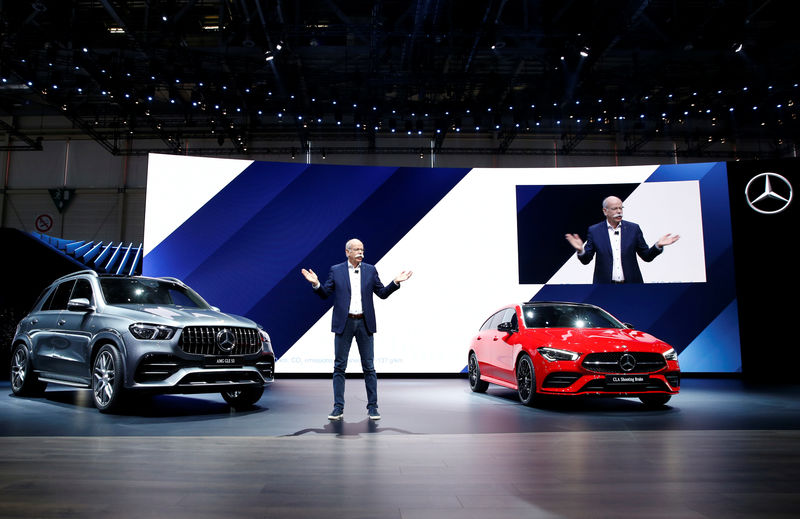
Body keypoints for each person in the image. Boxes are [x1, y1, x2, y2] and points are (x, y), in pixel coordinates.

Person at [301, 238, 412, 421]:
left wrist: (395, 282)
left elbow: (382, 293)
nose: (361, 252)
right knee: (339, 367)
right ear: (347, 252)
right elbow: (325, 294)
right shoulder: (336, 270)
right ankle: (338, 408)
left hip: (364, 323)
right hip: (344, 323)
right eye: (357, 249)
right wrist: (316, 284)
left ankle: (373, 407)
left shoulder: (370, 270)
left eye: (362, 249)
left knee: (369, 367)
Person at [565, 196, 679, 283]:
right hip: (604, 287)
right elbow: (586, 260)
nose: (619, 211)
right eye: (615, 209)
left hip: (631, 286)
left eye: (621, 208)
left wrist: (658, 245)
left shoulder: (633, 229)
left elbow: (646, 256)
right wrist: (580, 250)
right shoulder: (594, 231)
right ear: (605, 211)